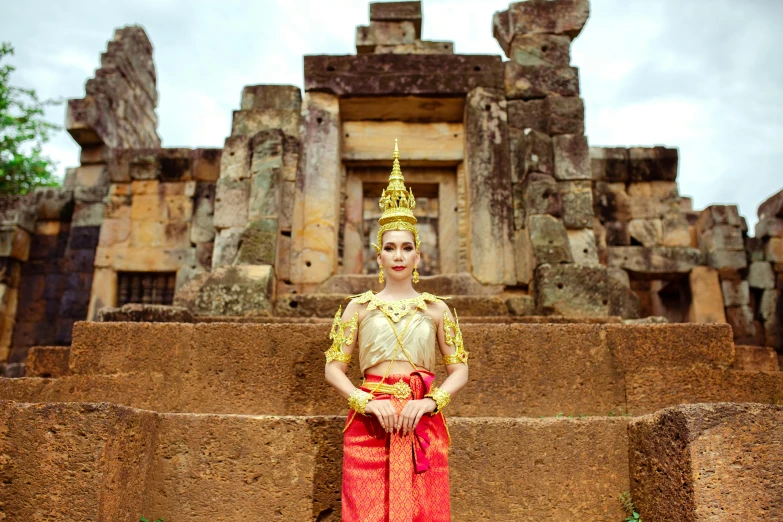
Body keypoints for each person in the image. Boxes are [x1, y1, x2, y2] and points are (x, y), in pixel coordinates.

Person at [324, 140, 469, 522]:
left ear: (418, 255)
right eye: (391, 248)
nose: (399, 255)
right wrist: (365, 401)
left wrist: (429, 402)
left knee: (426, 509)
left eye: (407, 247)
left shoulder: (437, 309)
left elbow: (460, 370)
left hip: (422, 421)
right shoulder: (358, 307)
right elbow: (333, 368)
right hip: (370, 421)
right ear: (379, 255)